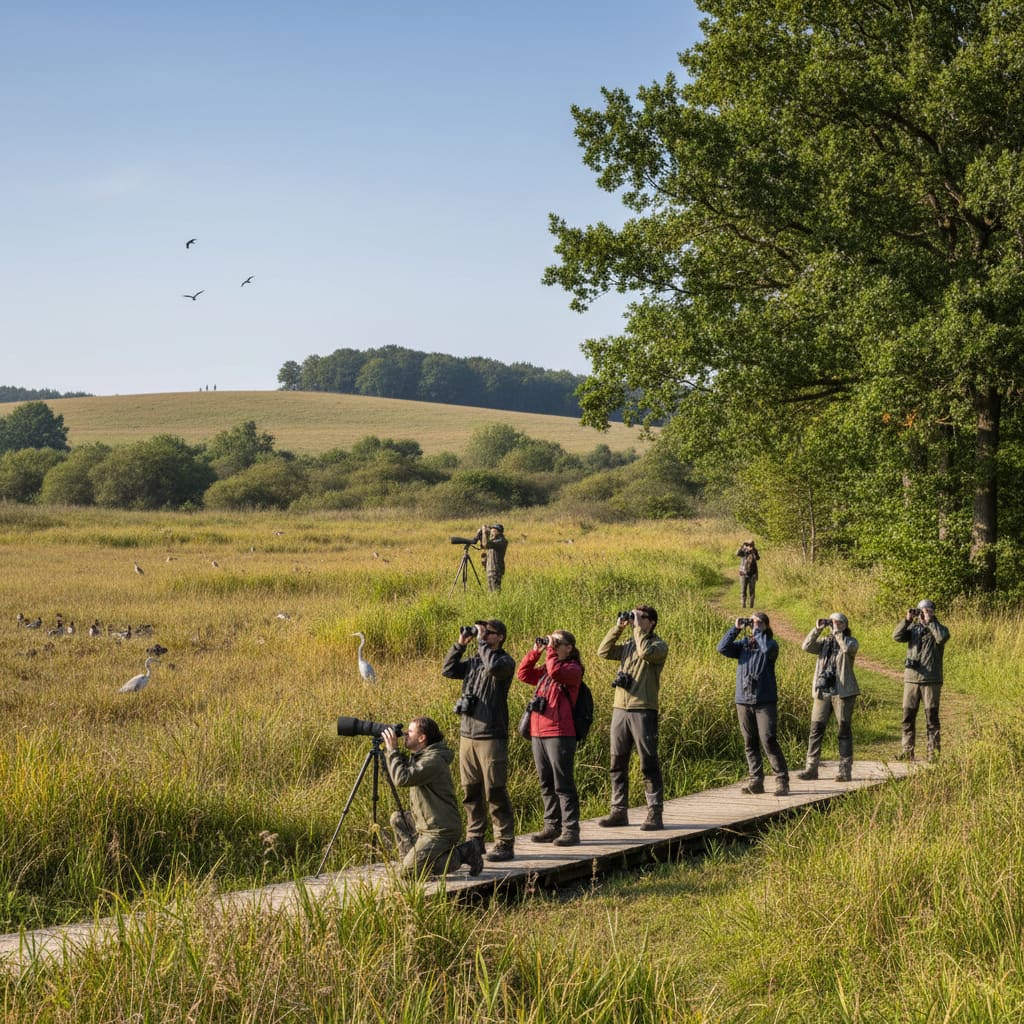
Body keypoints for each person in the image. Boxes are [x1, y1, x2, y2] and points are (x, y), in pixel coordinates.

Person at [442, 618, 517, 861]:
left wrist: (482, 644)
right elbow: (448, 670)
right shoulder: (475, 661)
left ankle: (504, 842)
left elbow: (494, 668)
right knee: (470, 791)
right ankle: (475, 840)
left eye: (489, 633)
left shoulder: (505, 662)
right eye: (482, 632)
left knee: (494, 790)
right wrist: (461, 643)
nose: (483, 636)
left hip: (491, 735)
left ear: (501, 637)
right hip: (468, 734)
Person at [596, 605, 669, 830]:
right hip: (620, 709)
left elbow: (645, 652)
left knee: (648, 762)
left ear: (652, 622)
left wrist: (637, 629)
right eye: (635, 617)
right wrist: (618, 627)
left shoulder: (658, 645)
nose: (636, 620)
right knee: (617, 762)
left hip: (643, 709)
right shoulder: (629, 645)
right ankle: (618, 811)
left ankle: (654, 813)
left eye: (641, 617)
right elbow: (604, 652)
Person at [381, 718, 483, 878]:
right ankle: (412, 862)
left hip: (440, 830)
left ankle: (464, 853)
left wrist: (392, 750)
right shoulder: (421, 757)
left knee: (407, 873)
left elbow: (402, 779)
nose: (406, 734)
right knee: (397, 819)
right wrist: (391, 755)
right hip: (426, 824)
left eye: (411, 731)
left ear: (422, 738)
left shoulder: (432, 761)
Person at [516, 630, 584, 846]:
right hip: (538, 732)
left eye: (557, 643)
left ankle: (571, 830)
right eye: (552, 643)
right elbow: (523, 674)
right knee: (546, 782)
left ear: (569, 648)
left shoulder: (573, 669)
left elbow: (555, 671)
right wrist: (536, 651)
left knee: (563, 783)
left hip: (560, 733)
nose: (552, 646)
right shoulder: (548, 668)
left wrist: (550, 652)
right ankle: (551, 826)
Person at [717, 612, 790, 796]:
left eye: (758, 622)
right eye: (752, 621)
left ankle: (782, 781)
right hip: (743, 700)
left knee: (768, 740)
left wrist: (758, 631)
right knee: (750, 742)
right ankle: (756, 781)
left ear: (766, 625)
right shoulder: (744, 645)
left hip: (765, 701)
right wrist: (736, 629)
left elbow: (766, 650)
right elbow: (722, 648)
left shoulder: (771, 644)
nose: (754, 624)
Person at [796, 613, 860, 782]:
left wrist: (837, 633)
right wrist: (817, 629)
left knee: (843, 731)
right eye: (832, 621)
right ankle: (811, 768)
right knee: (816, 729)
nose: (834, 624)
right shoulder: (824, 642)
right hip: (823, 691)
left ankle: (845, 770)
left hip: (843, 692)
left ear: (845, 625)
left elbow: (846, 650)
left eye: (839, 622)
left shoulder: (851, 641)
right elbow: (806, 646)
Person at [893, 599, 950, 761]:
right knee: (907, 717)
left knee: (931, 718)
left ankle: (933, 753)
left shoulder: (939, 628)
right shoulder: (913, 629)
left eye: (926, 610)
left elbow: (942, 638)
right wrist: (907, 620)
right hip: (911, 679)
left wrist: (930, 621)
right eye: (920, 610)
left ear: (932, 611)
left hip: (931, 680)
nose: (922, 613)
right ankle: (907, 751)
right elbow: (896, 636)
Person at [474, 524, 508, 592]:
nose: (491, 533)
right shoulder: (493, 541)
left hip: (496, 570)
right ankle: (493, 602)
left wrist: (484, 532)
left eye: (493, 531)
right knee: (491, 592)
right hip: (490, 570)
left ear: (498, 532)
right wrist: (481, 536)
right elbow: (484, 545)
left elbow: (486, 544)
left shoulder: (501, 541)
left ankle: (497, 602)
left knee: (495, 591)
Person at [736, 540, 760, 609]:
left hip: (752, 574)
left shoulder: (754, 551)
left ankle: (751, 605)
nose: (749, 546)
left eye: (751, 545)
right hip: (743, 573)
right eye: (748, 544)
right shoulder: (743, 551)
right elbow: (737, 554)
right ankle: (743, 605)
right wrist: (742, 547)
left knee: (752, 590)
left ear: (753, 545)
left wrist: (753, 550)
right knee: (743, 590)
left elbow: (757, 558)